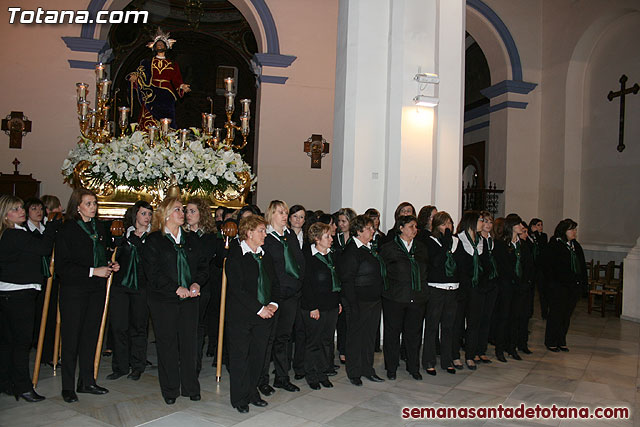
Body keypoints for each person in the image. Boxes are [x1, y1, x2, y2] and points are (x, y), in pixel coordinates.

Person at [55, 188, 120, 403]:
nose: (93, 207)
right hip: (74, 291)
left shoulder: (99, 227)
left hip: (95, 290)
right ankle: (67, 387)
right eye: (89, 203)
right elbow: (63, 268)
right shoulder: (68, 229)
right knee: (72, 338)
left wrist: (109, 264)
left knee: (90, 336)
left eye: (95, 203)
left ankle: (86, 381)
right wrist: (94, 271)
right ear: (77, 206)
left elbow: (100, 255)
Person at [141, 197, 208, 404]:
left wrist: (196, 283)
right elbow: (153, 273)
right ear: (167, 214)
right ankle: (170, 390)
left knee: (190, 344)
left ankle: (190, 386)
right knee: (167, 344)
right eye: (178, 210)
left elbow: (203, 267)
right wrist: (175, 288)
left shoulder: (192, 239)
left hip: (190, 300)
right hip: (164, 301)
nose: (183, 213)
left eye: (184, 210)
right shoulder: (154, 240)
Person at [0, 195, 59, 402]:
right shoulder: (14, 235)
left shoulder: (11, 233)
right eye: (15, 209)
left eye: (20, 207)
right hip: (19, 293)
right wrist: (51, 225)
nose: (21, 211)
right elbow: (43, 248)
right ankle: (23, 387)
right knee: (21, 343)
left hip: (9, 293)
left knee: (9, 342)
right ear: (6, 215)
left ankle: (6, 382)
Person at [225, 215, 280, 413]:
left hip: (265, 315)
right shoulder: (236, 255)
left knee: (258, 357)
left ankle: (251, 392)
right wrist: (259, 308)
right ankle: (239, 398)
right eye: (261, 231)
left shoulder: (266, 255)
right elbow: (237, 289)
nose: (265, 234)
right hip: (242, 316)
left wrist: (273, 304)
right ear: (249, 233)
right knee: (240, 357)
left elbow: (275, 282)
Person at [259, 201, 305, 395]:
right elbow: (268, 270)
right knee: (268, 339)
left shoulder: (290, 236)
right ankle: (262, 380)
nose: (284, 215)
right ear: (271, 214)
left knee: (284, 338)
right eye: (280, 212)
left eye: (286, 212)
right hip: (274, 296)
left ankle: (282, 377)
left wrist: (298, 283)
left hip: (291, 294)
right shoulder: (267, 238)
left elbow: (299, 261)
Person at [106, 201, 152, 381]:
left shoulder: (153, 237)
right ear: (135, 215)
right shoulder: (121, 234)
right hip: (121, 287)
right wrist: (113, 262)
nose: (147, 217)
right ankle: (120, 366)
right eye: (143, 214)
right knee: (119, 326)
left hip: (141, 287)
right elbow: (112, 255)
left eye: (149, 214)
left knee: (139, 327)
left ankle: (137, 365)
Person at [379, 215, 428, 380]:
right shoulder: (389, 248)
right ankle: (391, 367)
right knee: (392, 334)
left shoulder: (421, 248)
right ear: (401, 228)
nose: (415, 230)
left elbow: (425, 271)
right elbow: (383, 272)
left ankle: (413, 367)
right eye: (411, 226)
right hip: (394, 298)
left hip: (417, 298)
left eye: (416, 227)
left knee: (413, 334)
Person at [337, 215, 385, 386]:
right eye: (369, 228)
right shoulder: (351, 251)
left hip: (373, 301)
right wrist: (353, 305)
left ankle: (367, 368)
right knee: (355, 338)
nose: (373, 231)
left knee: (369, 338)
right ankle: (354, 371)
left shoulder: (368, 248)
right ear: (358, 231)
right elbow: (347, 281)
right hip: (358, 302)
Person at [184, 198, 225, 375]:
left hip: (202, 285)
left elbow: (207, 257)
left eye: (193, 211)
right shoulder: (180, 233)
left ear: (202, 214)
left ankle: (194, 366)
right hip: (182, 284)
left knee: (197, 327)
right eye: (187, 211)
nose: (188, 215)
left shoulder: (209, 236)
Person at [301, 222, 342, 389]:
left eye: (331, 236)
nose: (331, 239)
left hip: (331, 305)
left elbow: (337, 280)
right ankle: (311, 374)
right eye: (327, 236)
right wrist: (312, 307)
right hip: (315, 307)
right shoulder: (308, 257)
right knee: (314, 342)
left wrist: (338, 301)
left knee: (327, 341)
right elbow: (306, 284)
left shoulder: (332, 255)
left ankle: (323, 372)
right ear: (317, 239)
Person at [128, 28, 191, 130]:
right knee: (149, 115)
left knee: (167, 118)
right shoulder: (148, 62)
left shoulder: (172, 64)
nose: (160, 45)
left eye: (162, 44)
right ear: (154, 47)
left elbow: (176, 79)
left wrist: (182, 86)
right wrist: (136, 77)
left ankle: (166, 136)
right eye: (158, 44)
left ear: (166, 47)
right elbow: (142, 73)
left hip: (167, 94)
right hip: (152, 92)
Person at [493, 215, 534, 362]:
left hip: (520, 288)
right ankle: (500, 349)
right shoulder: (501, 244)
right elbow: (503, 266)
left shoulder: (522, 245)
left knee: (516, 317)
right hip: (506, 287)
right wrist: (514, 280)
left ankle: (512, 348)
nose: (521, 226)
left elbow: (528, 265)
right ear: (510, 226)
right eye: (517, 224)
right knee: (503, 317)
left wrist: (525, 282)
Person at [422, 211, 459, 375]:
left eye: (450, 223)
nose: (448, 227)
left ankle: (447, 359)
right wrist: (445, 245)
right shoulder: (430, 242)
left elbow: (460, 265)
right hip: (436, 288)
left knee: (448, 326)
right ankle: (429, 360)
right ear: (436, 226)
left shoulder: (456, 242)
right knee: (432, 326)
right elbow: (435, 263)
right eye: (444, 224)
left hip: (453, 288)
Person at [542, 219, 587, 352]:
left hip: (573, 287)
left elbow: (582, 267)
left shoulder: (576, 246)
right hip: (558, 287)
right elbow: (548, 268)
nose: (574, 232)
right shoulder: (554, 245)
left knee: (566, 315)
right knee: (556, 314)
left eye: (575, 229)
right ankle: (551, 341)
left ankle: (561, 340)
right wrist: (553, 284)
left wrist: (583, 285)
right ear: (563, 231)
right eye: (571, 229)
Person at [451, 211, 487, 371]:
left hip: (477, 289)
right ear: (472, 222)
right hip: (461, 290)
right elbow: (456, 267)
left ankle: (470, 355)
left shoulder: (482, 242)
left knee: (474, 323)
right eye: (481, 220)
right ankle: (455, 355)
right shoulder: (458, 240)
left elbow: (485, 265)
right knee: (457, 323)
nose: (483, 223)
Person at [475, 211, 499, 364]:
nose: (488, 225)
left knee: (486, 318)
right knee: (477, 318)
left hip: (492, 283)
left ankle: (482, 349)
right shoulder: (476, 240)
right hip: (480, 284)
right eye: (485, 222)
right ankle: (474, 350)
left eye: (490, 222)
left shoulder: (493, 241)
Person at [287, 204, 306, 380]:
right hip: (288, 289)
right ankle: (283, 365)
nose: (298, 220)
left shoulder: (307, 239)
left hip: (304, 289)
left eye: (301, 217)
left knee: (301, 329)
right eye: (295, 216)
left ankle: (299, 365)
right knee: (285, 331)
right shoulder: (284, 237)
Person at [529, 218, 549, 319]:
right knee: (531, 291)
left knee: (542, 291)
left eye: (541, 225)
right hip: (532, 268)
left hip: (540, 267)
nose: (540, 227)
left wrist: (537, 233)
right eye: (538, 225)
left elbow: (543, 247)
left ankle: (545, 312)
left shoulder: (543, 236)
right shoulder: (529, 236)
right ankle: (530, 312)